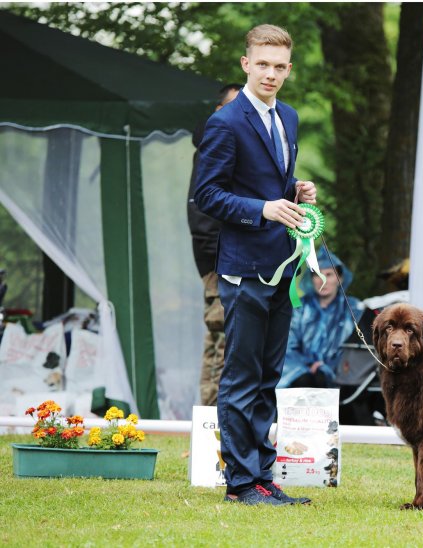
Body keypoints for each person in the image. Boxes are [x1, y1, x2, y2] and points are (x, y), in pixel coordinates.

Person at [194, 23, 315, 506]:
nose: (270, 73)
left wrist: (295, 192)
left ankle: (263, 477)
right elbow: (206, 194)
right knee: (241, 378)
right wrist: (261, 208)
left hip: (281, 267)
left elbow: (272, 181)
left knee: (268, 376)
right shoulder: (225, 122)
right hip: (242, 269)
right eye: (262, 64)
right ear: (246, 64)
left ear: (288, 69)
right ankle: (241, 484)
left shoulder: (288, 116)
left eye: (279, 66)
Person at [188, 83, 242, 407]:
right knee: (220, 341)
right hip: (219, 265)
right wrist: (216, 264)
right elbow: (201, 213)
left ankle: (226, 425)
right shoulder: (210, 150)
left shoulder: (236, 148)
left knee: (231, 345)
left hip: (240, 261)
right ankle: (209, 424)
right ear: (218, 112)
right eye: (234, 106)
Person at [278, 251, 364, 389]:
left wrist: (327, 367)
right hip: (299, 372)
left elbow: (353, 350)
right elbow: (288, 345)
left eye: (328, 274)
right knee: (304, 381)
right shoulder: (299, 308)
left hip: (340, 374)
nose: (322, 280)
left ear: (340, 278)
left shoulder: (353, 309)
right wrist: (309, 365)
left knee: (323, 379)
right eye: (317, 274)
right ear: (311, 278)